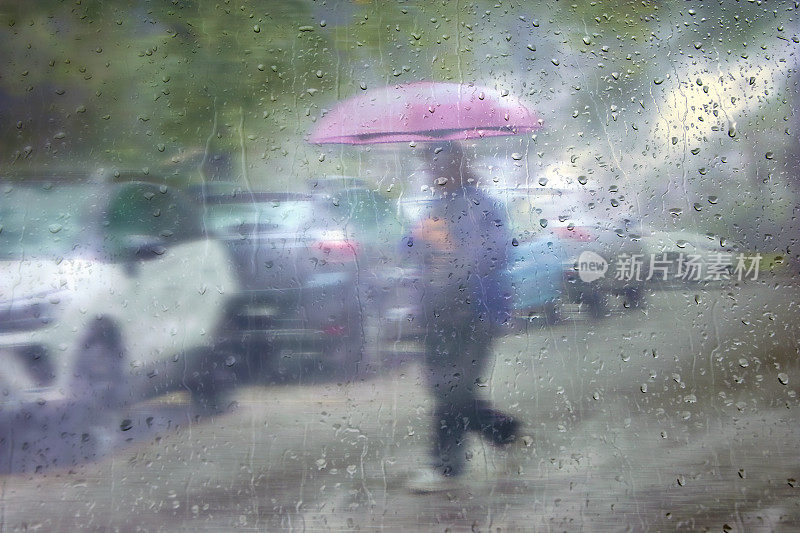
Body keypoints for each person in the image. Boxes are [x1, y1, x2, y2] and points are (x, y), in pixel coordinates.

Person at [404, 141, 520, 493]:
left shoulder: (485, 206)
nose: (432, 172)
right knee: (443, 387)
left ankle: (445, 468)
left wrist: (452, 250)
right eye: (428, 166)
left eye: (438, 164)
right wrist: (417, 239)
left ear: (457, 165)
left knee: (454, 387)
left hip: (476, 311)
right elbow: (408, 252)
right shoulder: (433, 207)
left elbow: (497, 254)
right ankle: (501, 430)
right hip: (437, 312)